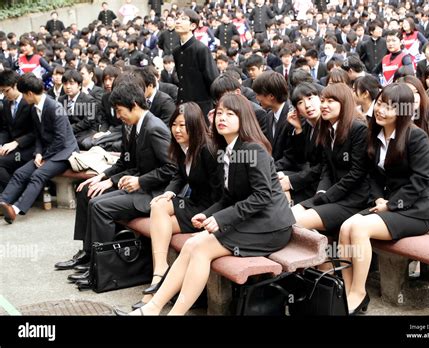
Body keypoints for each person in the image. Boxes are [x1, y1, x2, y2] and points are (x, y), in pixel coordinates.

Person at [116, 93, 295, 315]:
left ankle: (173, 313)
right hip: (251, 220)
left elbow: (262, 197)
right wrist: (208, 214)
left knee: (200, 249)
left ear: (244, 118)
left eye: (230, 114)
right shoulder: (225, 150)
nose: (222, 118)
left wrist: (220, 219)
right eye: (219, 113)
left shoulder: (252, 149)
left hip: (270, 226)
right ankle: (152, 308)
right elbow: (228, 197)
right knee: (192, 244)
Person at [55, 80, 176, 286]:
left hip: (155, 194)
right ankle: (88, 255)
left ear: (135, 105)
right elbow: (124, 162)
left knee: (99, 206)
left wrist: (140, 181)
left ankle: (102, 267)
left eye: (120, 111)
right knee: (87, 191)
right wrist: (104, 177)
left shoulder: (154, 128)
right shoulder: (132, 126)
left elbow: (172, 169)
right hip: (136, 183)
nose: (118, 116)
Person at [338, 83, 429, 315]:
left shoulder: (416, 137)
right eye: (381, 103)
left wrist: (392, 204)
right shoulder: (375, 132)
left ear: (402, 111)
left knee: (359, 229)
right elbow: (372, 174)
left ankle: (359, 292)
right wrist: (379, 199)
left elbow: (421, 181)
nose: (382, 110)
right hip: (389, 205)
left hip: (417, 211)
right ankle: (346, 290)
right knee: (345, 228)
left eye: (390, 107)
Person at [132, 102, 221, 310]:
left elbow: (220, 194)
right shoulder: (182, 147)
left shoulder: (208, 150)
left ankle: (156, 283)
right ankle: (160, 268)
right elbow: (178, 176)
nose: (177, 130)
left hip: (209, 209)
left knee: (159, 215)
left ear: (195, 125)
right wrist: (169, 192)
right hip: (193, 203)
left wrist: (208, 216)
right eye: (174, 125)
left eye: (183, 125)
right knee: (159, 206)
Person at [291, 83, 370, 238]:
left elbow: (356, 173)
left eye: (330, 101)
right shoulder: (327, 128)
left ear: (344, 103)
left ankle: (326, 260)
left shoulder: (358, 129)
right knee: (287, 215)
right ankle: (325, 261)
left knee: (294, 221)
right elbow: (326, 167)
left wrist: (327, 197)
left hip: (353, 199)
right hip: (333, 195)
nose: (324, 106)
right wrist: (321, 192)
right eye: (323, 101)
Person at [0, 73, 78, 223]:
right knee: (20, 173)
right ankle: (3, 201)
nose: (22, 97)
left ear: (29, 93)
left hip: (64, 153)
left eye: (23, 94)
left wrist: (44, 156)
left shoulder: (55, 107)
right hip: (47, 152)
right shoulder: (35, 107)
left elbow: (61, 140)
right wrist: (38, 153)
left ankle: (15, 210)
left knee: (38, 175)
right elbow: (38, 136)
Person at [280, 82, 323, 204]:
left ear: (320, 99)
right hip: (309, 177)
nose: (307, 105)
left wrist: (291, 182)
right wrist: (298, 129)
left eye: (310, 98)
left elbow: (322, 167)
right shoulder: (308, 125)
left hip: (321, 184)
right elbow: (301, 158)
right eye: (300, 103)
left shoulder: (327, 125)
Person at [173, 9, 219, 118]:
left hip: (201, 108)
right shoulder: (176, 51)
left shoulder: (201, 49)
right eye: (177, 18)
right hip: (182, 105)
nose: (178, 21)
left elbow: (213, 79)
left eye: (183, 19)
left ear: (193, 26)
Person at [0, 69, 35, 192]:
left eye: (7, 90)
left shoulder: (30, 101)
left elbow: (36, 131)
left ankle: (13, 194)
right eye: (2, 91)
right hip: (12, 148)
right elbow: (5, 128)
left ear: (16, 86)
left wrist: (17, 143)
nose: (4, 94)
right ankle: (10, 195)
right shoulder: (5, 103)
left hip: (28, 149)